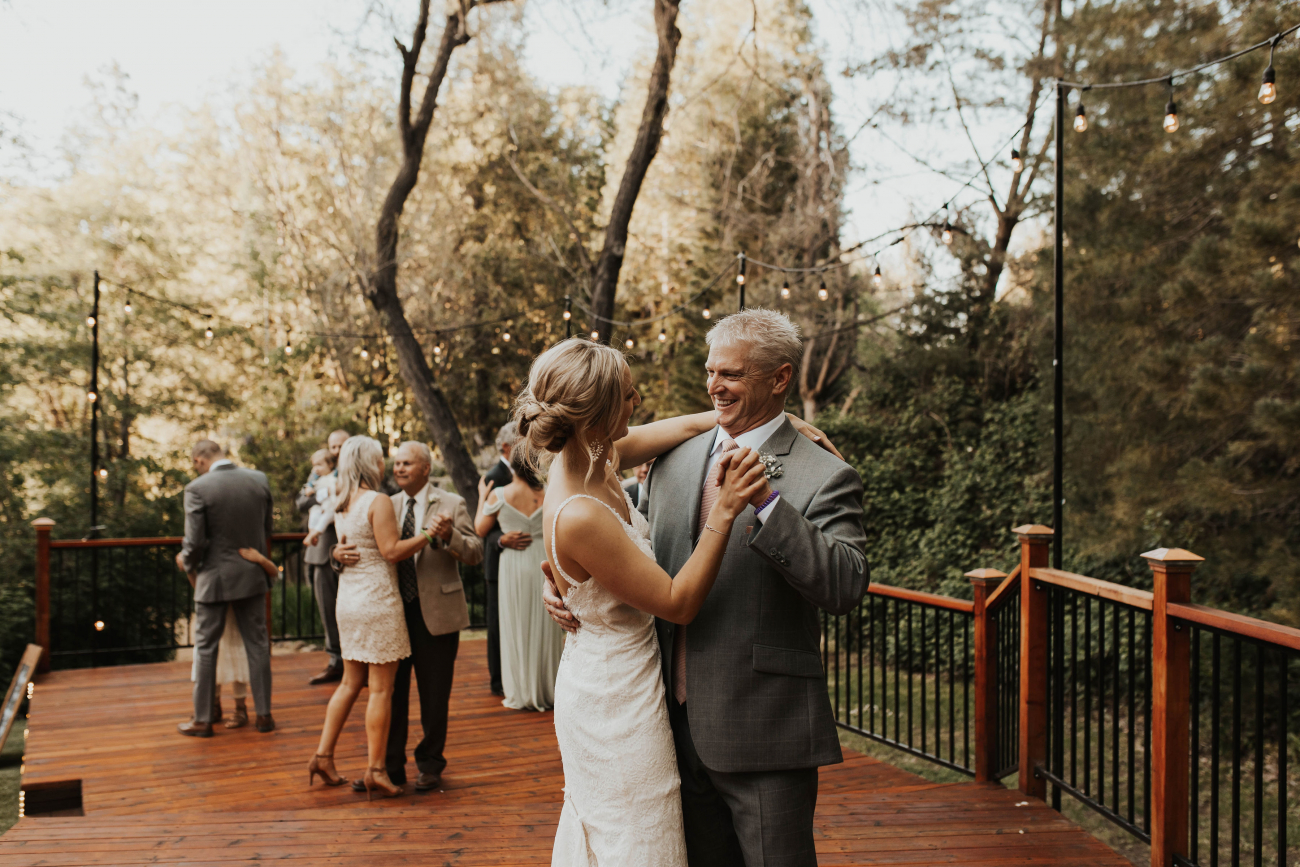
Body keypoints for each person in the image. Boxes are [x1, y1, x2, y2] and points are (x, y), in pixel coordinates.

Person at [543, 309, 869, 867]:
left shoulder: (824, 472)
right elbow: (621, 545)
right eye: (711, 371)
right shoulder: (671, 459)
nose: (715, 386)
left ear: (780, 378)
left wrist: (768, 504)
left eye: (732, 374)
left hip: (763, 730)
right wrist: (566, 577)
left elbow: (844, 586)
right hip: (658, 722)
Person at [336, 441, 483, 794]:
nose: (398, 468)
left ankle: (430, 765)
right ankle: (388, 767)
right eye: (396, 463)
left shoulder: (452, 503)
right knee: (391, 693)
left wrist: (450, 537)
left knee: (435, 695)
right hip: (392, 612)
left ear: (426, 469)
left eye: (407, 463)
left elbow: (475, 552)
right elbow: (362, 546)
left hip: (436, 614)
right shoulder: (385, 503)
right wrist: (334, 554)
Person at [307, 436, 441, 798]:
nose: (386, 465)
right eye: (381, 459)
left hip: (349, 599)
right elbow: (391, 551)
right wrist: (428, 534)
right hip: (377, 601)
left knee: (349, 684)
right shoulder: (377, 500)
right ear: (370, 463)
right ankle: (376, 769)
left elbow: (350, 546)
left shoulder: (341, 500)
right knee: (381, 689)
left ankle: (323, 756)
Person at [175, 440, 276, 738]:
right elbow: (267, 529)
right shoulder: (259, 480)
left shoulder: (197, 488)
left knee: (206, 648)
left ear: (199, 460)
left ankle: (203, 720)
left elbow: (194, 542)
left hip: (214, 579)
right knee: (258, 645)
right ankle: (264, 716)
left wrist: (186, 562)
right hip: (251, 575)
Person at [474, 450, 558, 711]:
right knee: (544, 623)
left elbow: (480, 528)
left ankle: (521, 690)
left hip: (514, 562)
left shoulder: (499, 495)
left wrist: (481, 497)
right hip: (541, 560)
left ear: (512, 467)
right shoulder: (549, 492)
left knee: (517, 624)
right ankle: (547, 688)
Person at [184, 545, 277, 729]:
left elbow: (274, 572)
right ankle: (213, 706)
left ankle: (240, 708)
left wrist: (260, 559)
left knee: (237, 662)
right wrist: (189, 568)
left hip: (237, 625)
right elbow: (199, 587)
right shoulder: (211, 561)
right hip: (217, 624)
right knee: (213, 662)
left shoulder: (247, 555)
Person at [297, 429, 350, 685]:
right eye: (333, 446)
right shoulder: (318, 471)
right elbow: (300, 502)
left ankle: (357, 663)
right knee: (327, 609)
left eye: (341, 446)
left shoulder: (357, 469)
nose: (336, 451)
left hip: (350, 549)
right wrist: (321, 497)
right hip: (320, 551)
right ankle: (336, 662)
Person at [478, 422, 521, 697]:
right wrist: (502, 539)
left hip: (524, 562)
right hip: (499, 563)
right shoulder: (493, 477)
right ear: (506, 447)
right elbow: (486, 526)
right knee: (497, 624)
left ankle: (518, 674)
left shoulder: (528, 475)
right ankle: (499, 681)